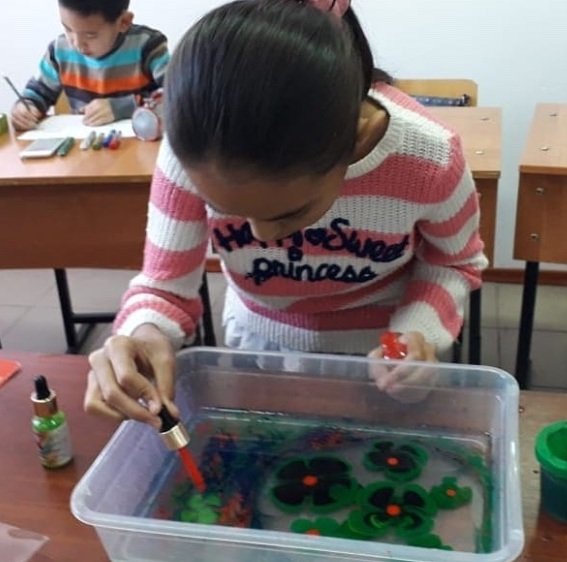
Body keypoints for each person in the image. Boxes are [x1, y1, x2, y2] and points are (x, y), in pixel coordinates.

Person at [85, 0, 488, 427]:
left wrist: (417, 333)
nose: (262, 237)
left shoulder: (428, 158)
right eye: (229, 212)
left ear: (355, 140)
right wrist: (144, 332)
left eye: (290, 213)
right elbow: (165, 287)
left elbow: (454, 262)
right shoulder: (193, 154)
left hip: (383, 360)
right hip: (259, 349)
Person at [10, 0, 169, 131]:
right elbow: (38, 93)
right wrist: (25, 109)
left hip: (139, 143)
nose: (77, 44)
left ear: (124, 22)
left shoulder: (148, 45)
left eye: (90, 35)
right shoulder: (59, 51)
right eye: (68, 29)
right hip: (85, 147)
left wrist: (122, 107)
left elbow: (176, 97)